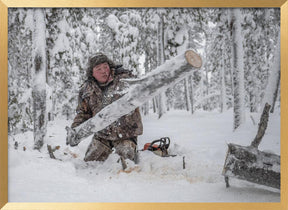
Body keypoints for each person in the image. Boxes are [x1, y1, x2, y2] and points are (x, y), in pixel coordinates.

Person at [71, 53, 143, 162]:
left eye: (105, 67)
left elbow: (141, 92)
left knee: (126, 165)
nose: (104, 71)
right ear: (92, 73)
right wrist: (75, 131)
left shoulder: (125, 79)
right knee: (89, 164)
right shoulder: (86, 90)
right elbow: (83, 113)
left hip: (126, 133)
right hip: (102, 135)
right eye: (98, 69)